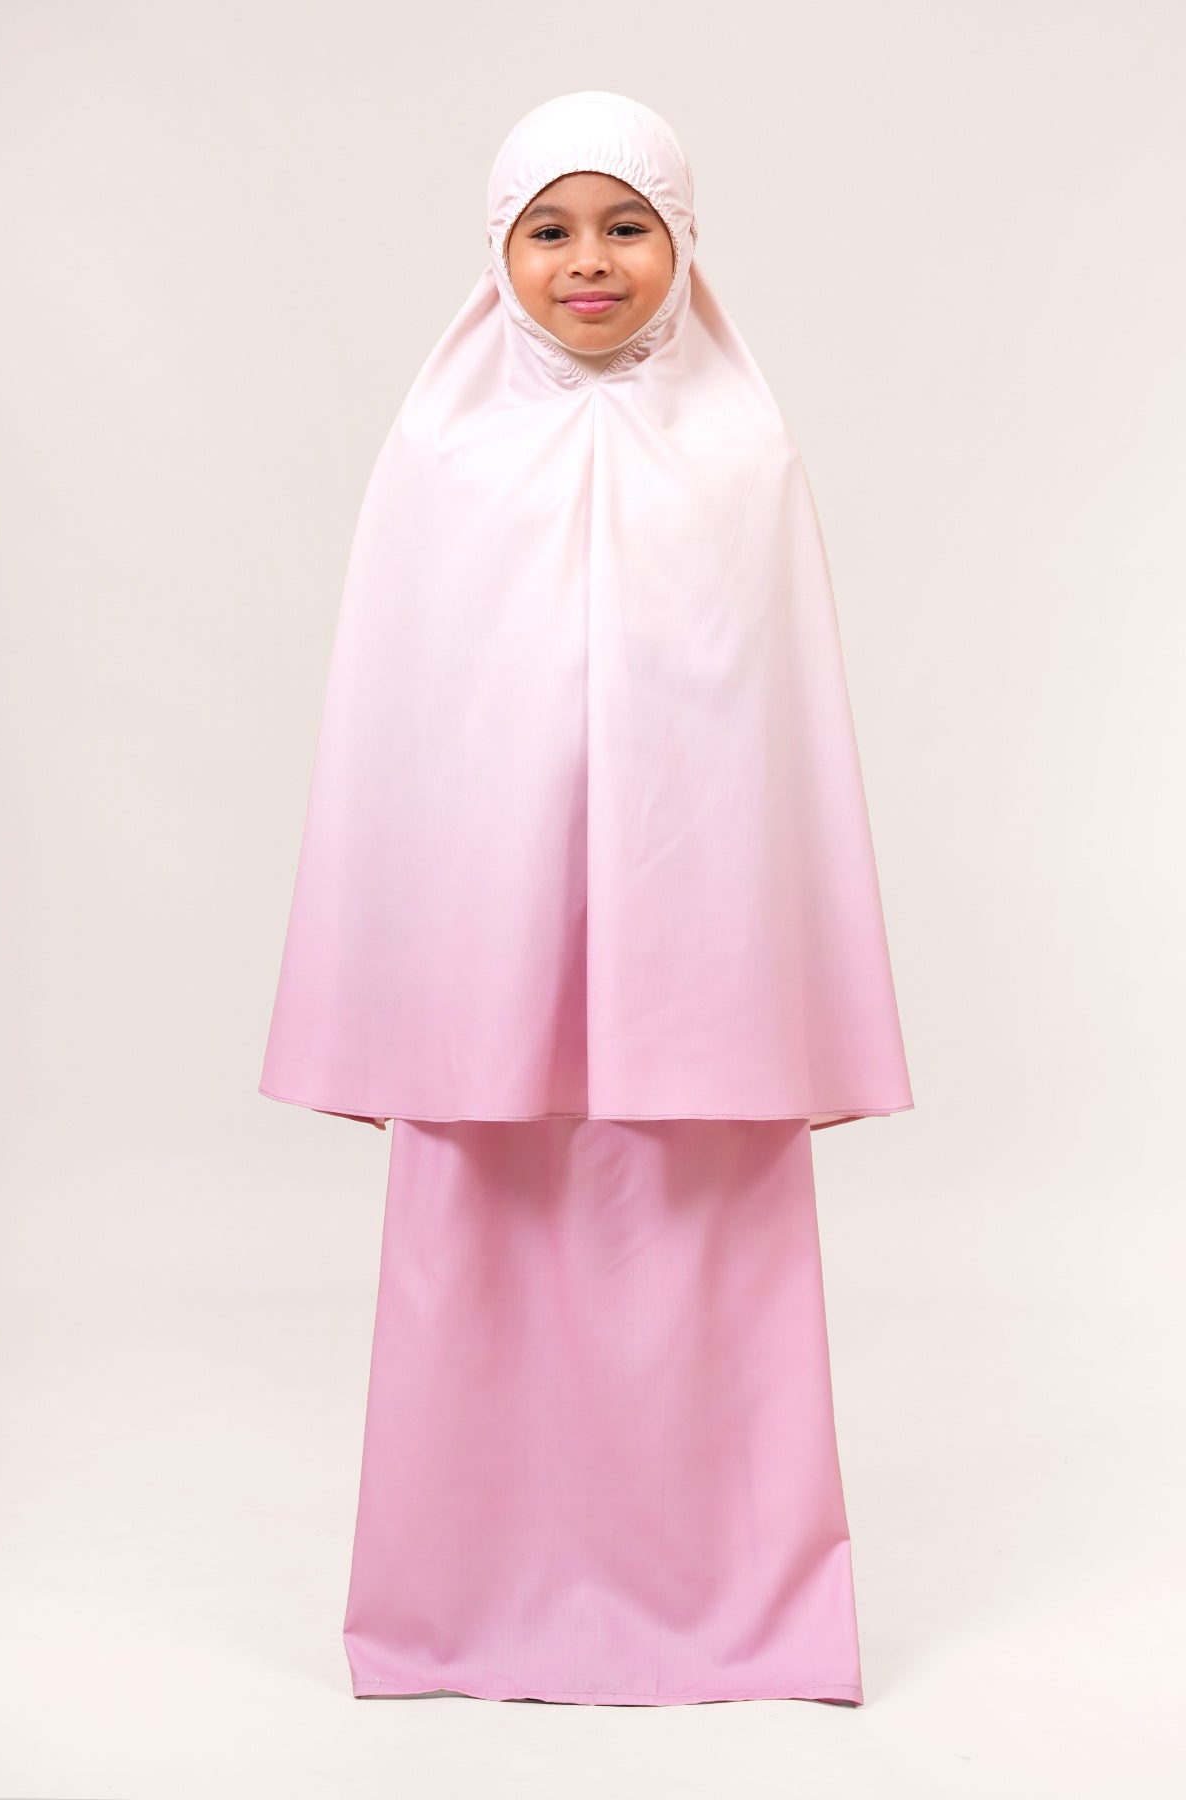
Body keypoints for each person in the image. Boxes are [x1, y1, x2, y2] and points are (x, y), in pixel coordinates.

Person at [259, 90, 913, 1706]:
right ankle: (462, 1604)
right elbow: (401, 720)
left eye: (629, 225)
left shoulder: (742, 452)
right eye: (549, 230)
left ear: (684, 241)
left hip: (700, 956)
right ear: (498, 251)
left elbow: (778, 730)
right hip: (490, 950)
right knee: (481, 1242)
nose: (590, 261)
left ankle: (739, 1607)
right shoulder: (442, 452)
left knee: (704, 1244)